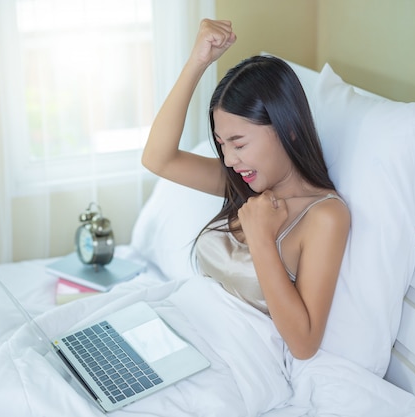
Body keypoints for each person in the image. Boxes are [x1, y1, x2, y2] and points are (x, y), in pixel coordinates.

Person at [142, 19, 350, 360]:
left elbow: (304, 344)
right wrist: (198, 62)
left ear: (288, 129)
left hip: (232, 363)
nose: (229, 159)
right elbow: (157, 159)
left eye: (239, 143)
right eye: (222, 144)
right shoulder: (244, 184)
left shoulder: (325, 215)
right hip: (180, 334)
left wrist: (261, 237)